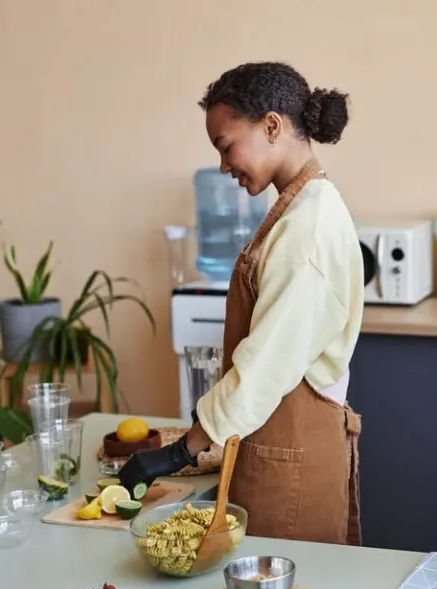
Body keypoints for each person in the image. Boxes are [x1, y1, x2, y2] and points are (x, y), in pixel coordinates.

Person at [119, 62, 365, 545]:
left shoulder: (308, 225)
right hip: (275, 439)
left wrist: (180, 453)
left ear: (271, 126)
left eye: (226, 146)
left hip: (293, 449)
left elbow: (268, 362)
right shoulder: (297, 207)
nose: (223, 165)